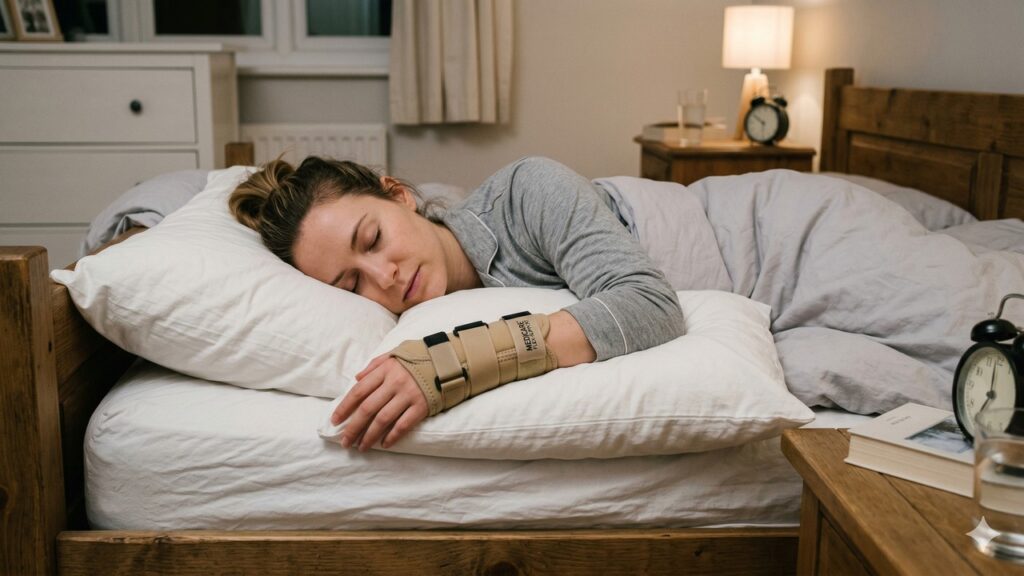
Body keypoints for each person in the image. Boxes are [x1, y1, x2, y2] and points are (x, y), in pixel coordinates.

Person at [230, 155, 685, 453]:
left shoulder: (529, 191)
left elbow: (649, 302)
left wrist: (454, 363)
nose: (384, 277)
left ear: (399, 195)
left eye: (373, 238)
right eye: (352, 285)